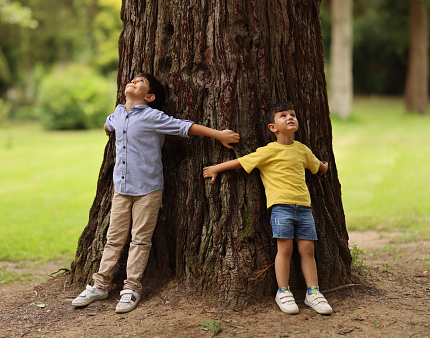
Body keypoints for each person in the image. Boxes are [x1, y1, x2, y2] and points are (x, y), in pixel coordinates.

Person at [72, 73, 240, 313]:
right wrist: (110, 127)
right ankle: (100, 285)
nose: (133, 81)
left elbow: (185, 127)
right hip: (121, 188)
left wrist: (219, 135)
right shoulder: (118, 113)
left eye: (140, 82)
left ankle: (131, 288)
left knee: (140, 240)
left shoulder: (153, 116)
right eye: (133, 79)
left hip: (148, 189)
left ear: (149, 96)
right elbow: (108, 126)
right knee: (114, 238)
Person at [202, 101, 333, 315]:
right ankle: (283, 291)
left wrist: (325, 167)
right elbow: (242, 162)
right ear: (273, 128)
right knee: (285, 249)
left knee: (308, 249)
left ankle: (314, 293)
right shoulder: (267, 152)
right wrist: (217, 168)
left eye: (292, 114)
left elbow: (317, 166)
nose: (290, 117)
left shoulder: (302, 150)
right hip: (281, 208)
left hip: (304, 208)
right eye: (283, 116)